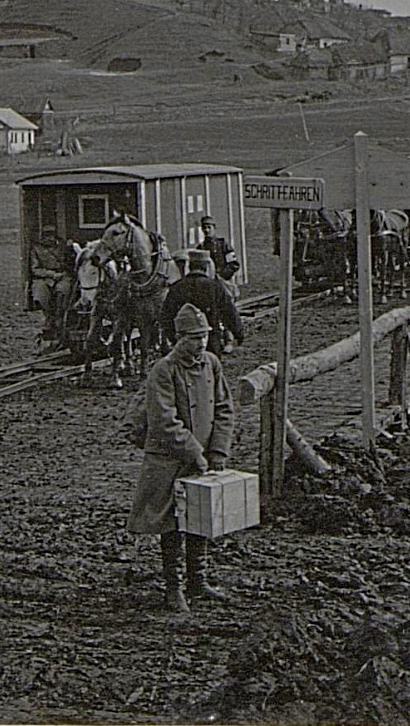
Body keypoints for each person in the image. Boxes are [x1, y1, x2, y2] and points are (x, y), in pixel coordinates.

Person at [124, 304, 235, 614]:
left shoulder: (212, 364)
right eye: (193, 338)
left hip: (202, 457)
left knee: (200, 516)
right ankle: (174, 588)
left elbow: (225, 408)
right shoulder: (164, 370)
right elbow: (163, 421)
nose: (201, 344)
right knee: (171, 525)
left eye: (204, 337)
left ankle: (198, 582)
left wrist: (218, 450)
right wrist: (195, 452)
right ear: (178, 338)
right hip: (168, 459)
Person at [160, 250, 244, 357]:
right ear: (206, 267)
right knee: (210, 365)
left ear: (189, 266)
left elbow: (166, 316)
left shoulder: (177, 287)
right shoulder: (214, 287)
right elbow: (229, 312)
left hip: (184, 343)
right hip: (211, 343)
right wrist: (238, 333)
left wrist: (173, 337)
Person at [28, 227, 75, 342]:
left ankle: (60, 317)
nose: (48, 238)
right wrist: (51, 274)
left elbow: (70, 263)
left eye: (50, 235)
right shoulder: (36, 250)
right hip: (44, 277)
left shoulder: (63, 247)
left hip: (62, 275)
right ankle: (48, 318)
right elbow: (35, 269)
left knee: (64, 290)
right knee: (41, 292)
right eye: (45, 236)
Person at [198, 215, 241, 298]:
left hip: (223, 282)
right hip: (208, 284)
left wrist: (222, 275)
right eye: (204, 228)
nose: (207, 230)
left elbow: (234, 264)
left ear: (214, 228)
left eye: (209, 227)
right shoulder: (201, 247)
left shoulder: (223, 244)